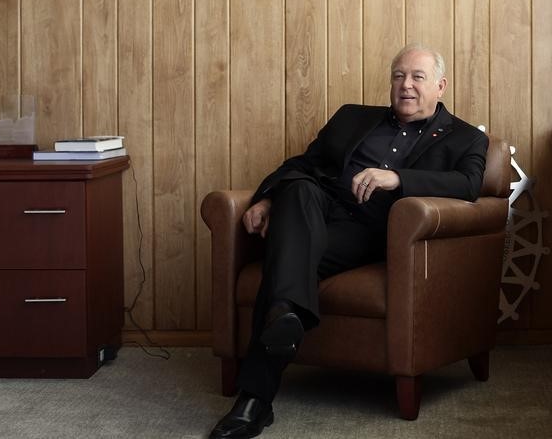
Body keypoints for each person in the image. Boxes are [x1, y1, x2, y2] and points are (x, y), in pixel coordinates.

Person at [209, 44, 489, 439]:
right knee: (300, 189)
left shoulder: (465, 138)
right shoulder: (352, 117)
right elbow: (303, 164)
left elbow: (469, 184)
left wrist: (398, 179)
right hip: (313, 208)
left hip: (369, 229)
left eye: (417, 77)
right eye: (398, 76)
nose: (405, 85)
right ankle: (284, 320)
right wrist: (266, 198)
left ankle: (254, 398)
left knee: (284, 260)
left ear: (440, 86)